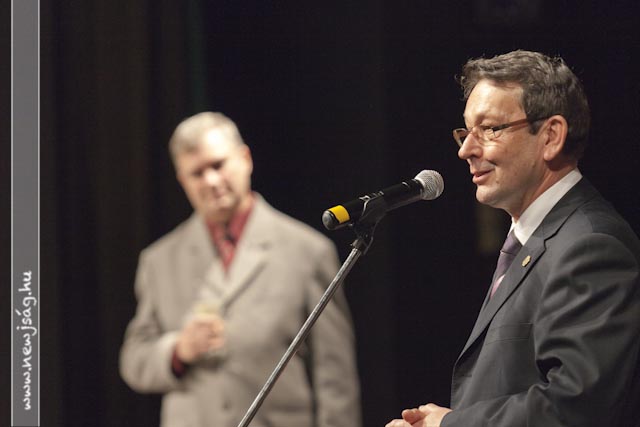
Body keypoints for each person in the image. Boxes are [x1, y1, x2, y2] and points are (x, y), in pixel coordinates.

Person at [386, 50, 640, 427]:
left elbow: (577, 408)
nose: (466, 150)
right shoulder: (533, 240)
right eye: (465, 132)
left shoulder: (591, 247)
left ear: (551, 136)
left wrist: (450, 425)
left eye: (490, 129)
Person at [120, 112, 361, 427]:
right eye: (197, 173)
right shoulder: (159, 260)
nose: (211, 181)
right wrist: (178, 350)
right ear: (182, 181)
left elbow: (335, 379)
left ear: (245, 159)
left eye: (218, 165)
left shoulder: (307, 251)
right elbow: (134, 358)